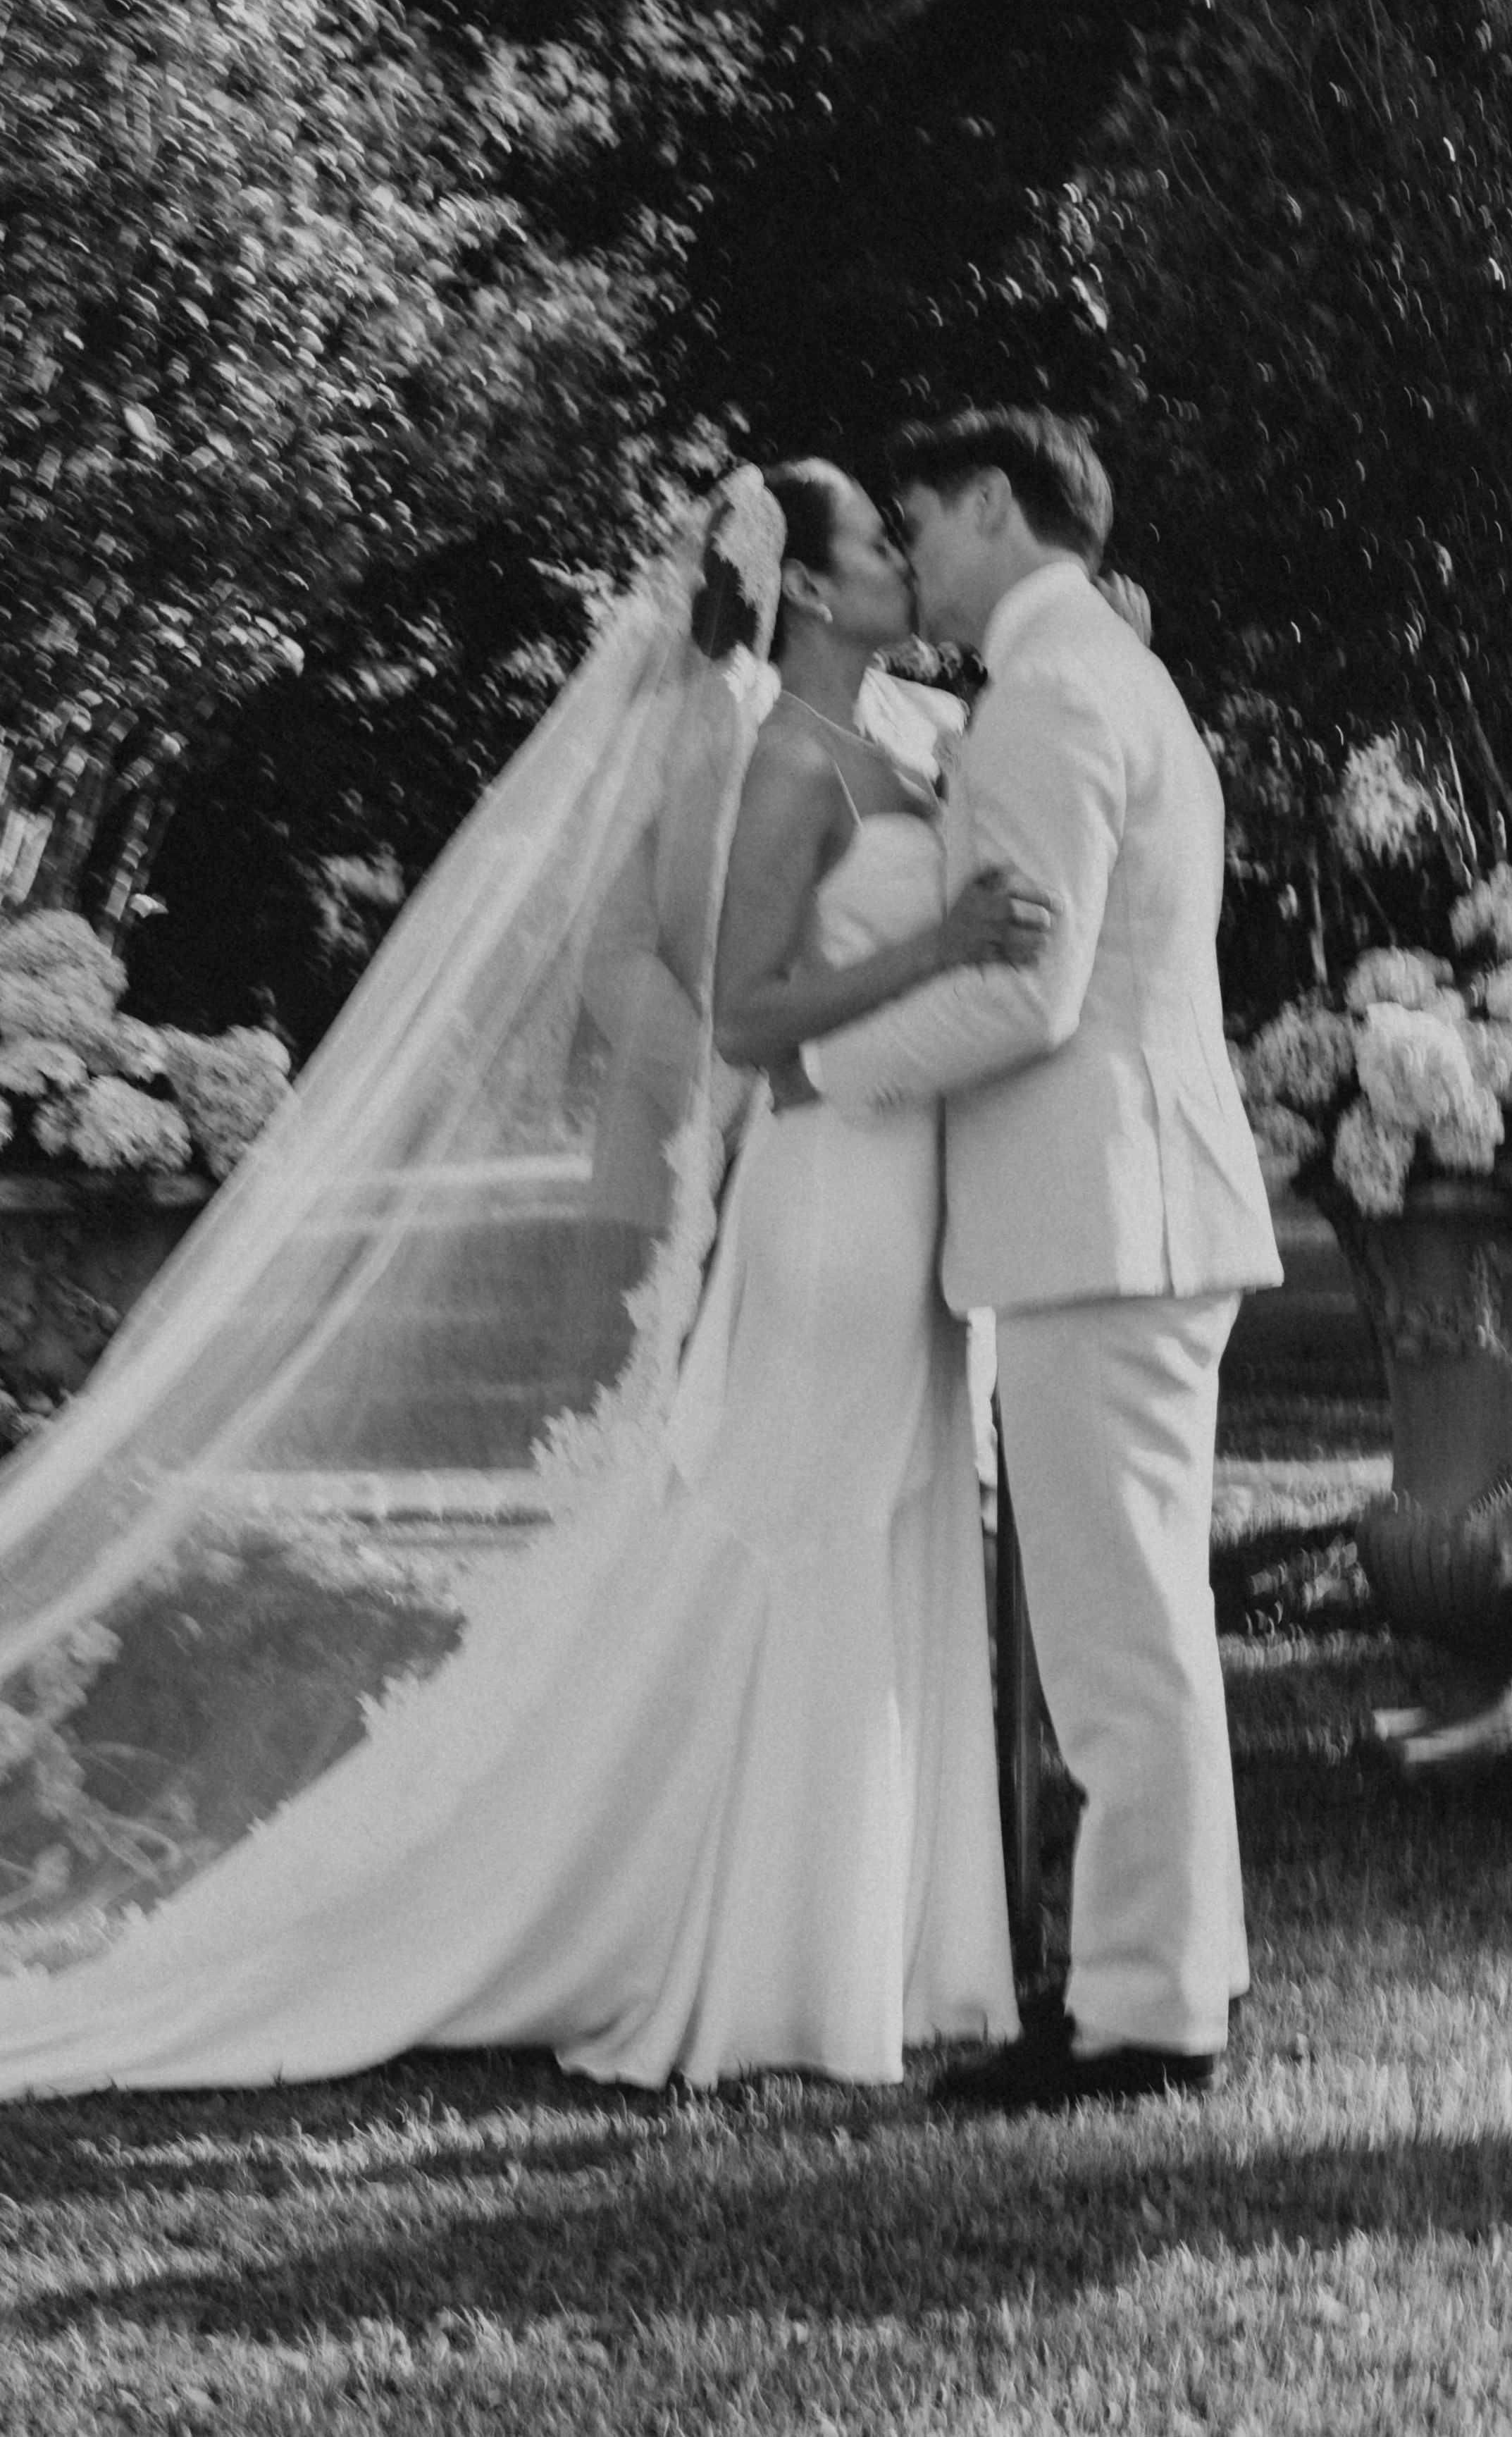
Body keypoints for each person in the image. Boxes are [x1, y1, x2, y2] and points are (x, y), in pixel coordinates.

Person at [0, 459, 1042, 2094]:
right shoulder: (777, 759)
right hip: (829, 1192)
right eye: (876, 548)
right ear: (817, 592)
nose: (910, 562)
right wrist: (943, 945)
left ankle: (895, 1939)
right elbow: (748, 1018)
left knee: (883, 1537)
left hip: (914, 1197)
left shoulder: (914, 734)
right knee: (802, 1545)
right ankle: (772, 1955)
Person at [793, 408, 1284, 2109]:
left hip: (1109, 1217)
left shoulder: (1052, 693)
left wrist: (817, 1068)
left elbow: (1027, 990)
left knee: (1115, 1634)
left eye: (919, 515)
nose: (911, 550)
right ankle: (1178, 1972)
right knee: (1133, 1622)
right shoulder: (1095, 673)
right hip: (1124, 1207)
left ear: (994, 503)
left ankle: (1143, 2015)